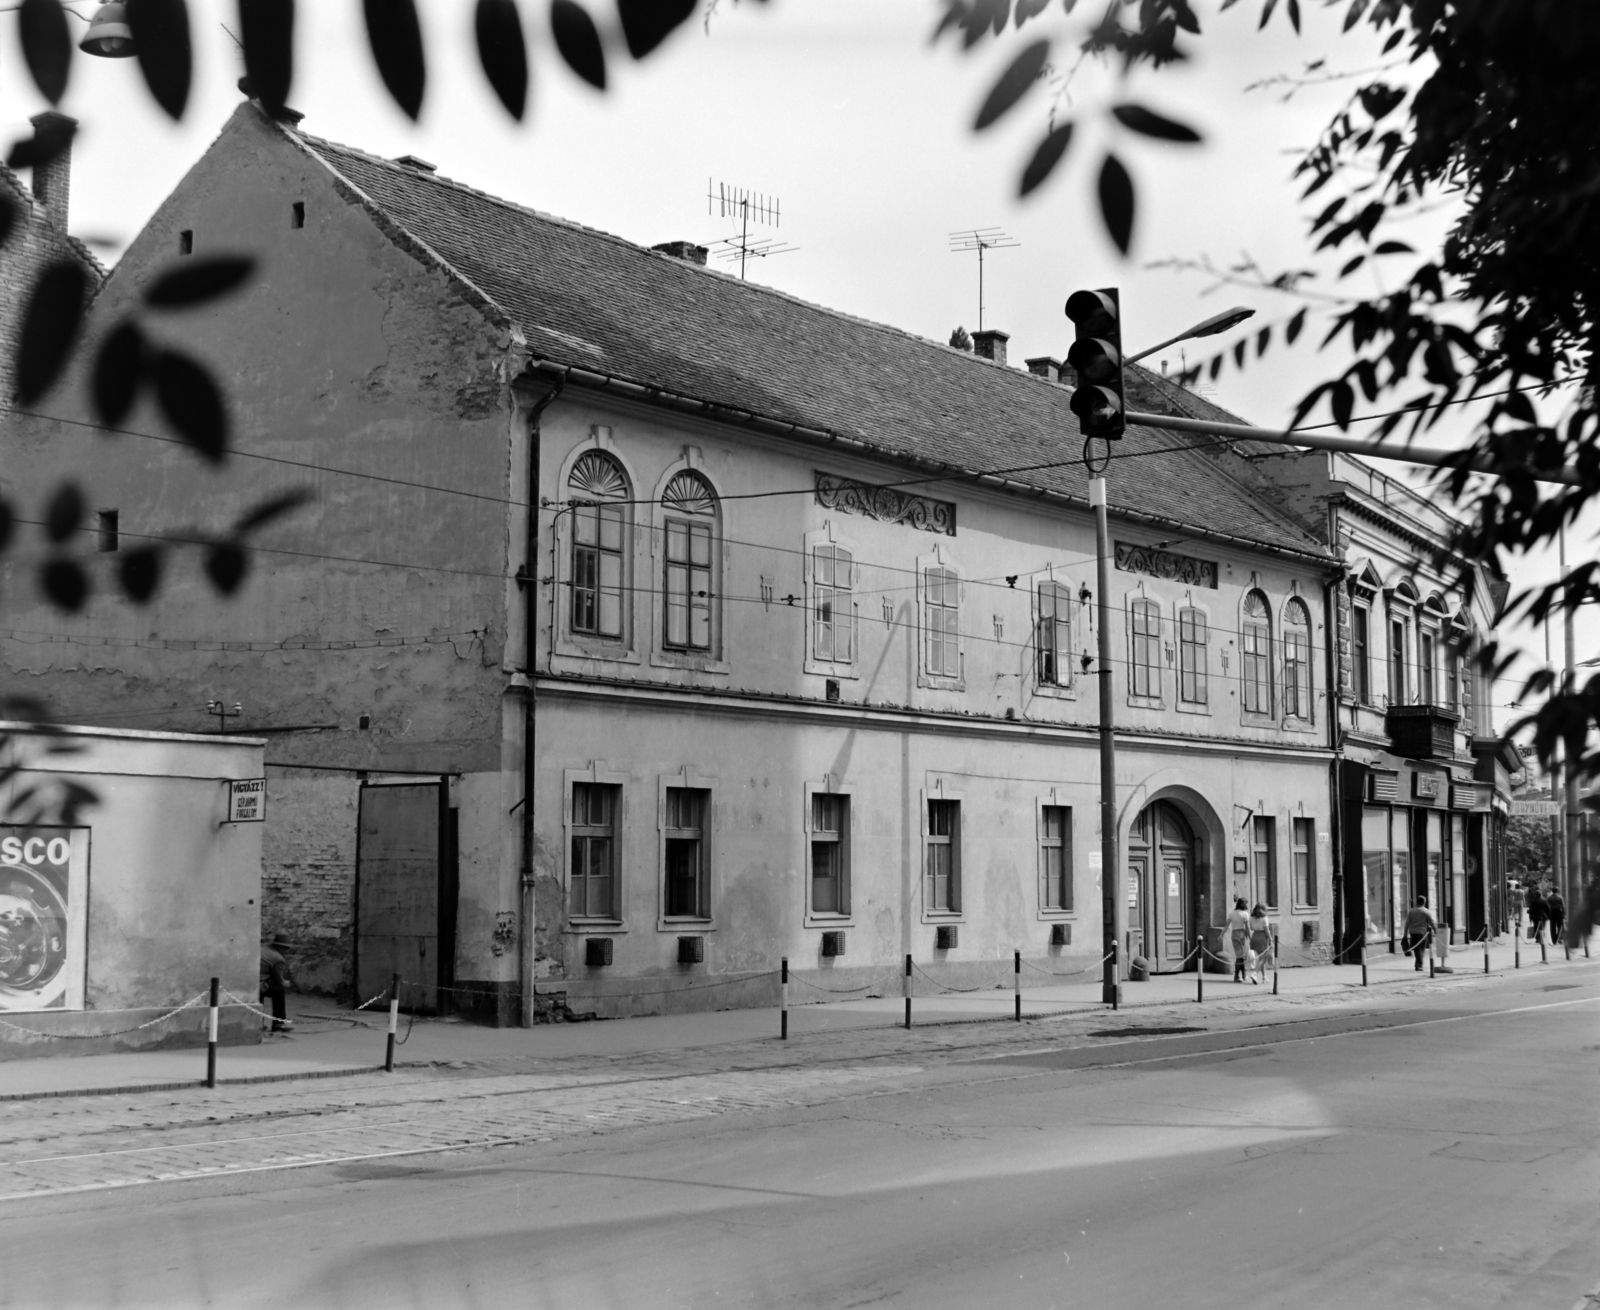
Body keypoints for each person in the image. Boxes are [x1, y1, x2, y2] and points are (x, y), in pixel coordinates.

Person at [259, 933, 293, 1034]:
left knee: (262, 994)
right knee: (279, 991)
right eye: (286, 948)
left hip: (251, 981)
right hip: (259, 984)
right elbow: (279, 980)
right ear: (280, 947)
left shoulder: (263, 947)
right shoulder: (278, 958)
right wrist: (286, 983)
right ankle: (279, 1023)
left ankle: (259, 1024)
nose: (287, 951)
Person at [1402, 895, 1436, 971]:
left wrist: (1405, 933)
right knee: (1420, 949)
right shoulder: (1426, 911)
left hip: (1413, 933)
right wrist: (1436, 931)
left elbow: (1407, 923)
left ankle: (1418, 964)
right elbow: (1432, 922)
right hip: (1422, 934)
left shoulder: (1411, 911)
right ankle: (1419, 965)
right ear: (1424, 902)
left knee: (1417, 949)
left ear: (1416, 902)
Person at [1247, 903, 1273, 984]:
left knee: (1259, 959)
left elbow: (1251, 928)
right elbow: (1266, 930)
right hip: (1262, 937)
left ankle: (1264, 977)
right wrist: (1271, 939)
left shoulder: (1251, 917)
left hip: (1254, 936)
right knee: (1263, 959)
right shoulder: (1264, 918)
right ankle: (1254, 974)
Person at [1228, 897, 1251, 983]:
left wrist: (1221, 934)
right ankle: (1237, 976)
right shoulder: (1245, 914)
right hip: (1242, 935)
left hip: (1234, 935)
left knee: (1240, 956)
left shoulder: (1232, 913)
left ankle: (1243, 975)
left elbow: (1227, 925)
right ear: (1243, 904)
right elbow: (1247, 927)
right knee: (1240, 957)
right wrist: (1250, 937)